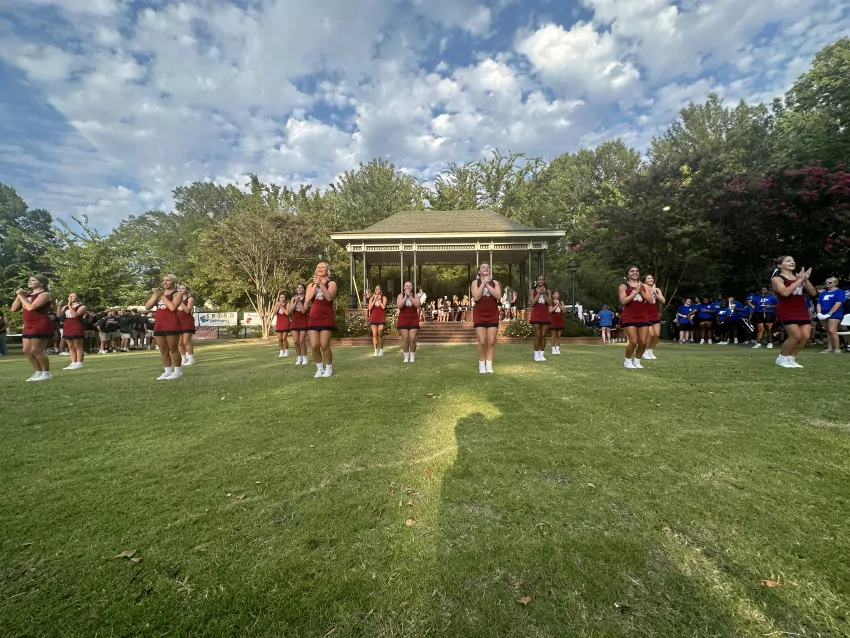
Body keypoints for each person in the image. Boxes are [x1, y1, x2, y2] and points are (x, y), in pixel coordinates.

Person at [771, 256, 816, 368]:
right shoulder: (777, 279)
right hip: (787, 309)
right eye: (788, 261)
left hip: (801, 309)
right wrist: (799, 280)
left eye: (793, 260)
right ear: (779, 265)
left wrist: (805, 279)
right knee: (795, 335)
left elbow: (813, 293)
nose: (792, 262)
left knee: (805, 336)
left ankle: (790, 358)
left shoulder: (799, 277)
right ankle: (781, 358)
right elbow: (785, 293)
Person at [10, 275, 54, 381]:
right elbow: (13, 309)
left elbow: (31, 307)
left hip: (41, 324)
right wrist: (19, 296)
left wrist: (21, 295)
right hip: (28, 325)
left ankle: (46, 373)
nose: (29, 281)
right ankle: (38, 372)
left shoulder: (45, 294)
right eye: (29, 280)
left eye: (33, 280)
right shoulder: (27, 295)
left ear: (41, 283)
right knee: (27, 350)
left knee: (37, 350)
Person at [144, 274, 184, 380]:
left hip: (171, 324)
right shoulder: (159, 293)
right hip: (159, 324)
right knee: (163, 349)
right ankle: (167, 371)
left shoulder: (177, 294)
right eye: (163, 280)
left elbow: (172, 307)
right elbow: (147, 306)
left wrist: (162, 296)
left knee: (173, 348)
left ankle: (178, 371)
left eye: (168, 280)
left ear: (174, 282)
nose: (165, 282)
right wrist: (155, 296)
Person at [306, 262, 337, 378]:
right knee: (314, 345)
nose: (320, 269)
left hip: (327, 317)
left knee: (324, 345)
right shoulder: (311, 284)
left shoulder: (331, 283)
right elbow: (308, 298)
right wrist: (315, 284)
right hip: (314, 317)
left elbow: (329, 298)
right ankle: (319, 369)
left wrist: (321, 284)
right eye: (318, 267)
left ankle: (328, 368)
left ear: (327, 270)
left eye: (323, 267)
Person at [618, 266, 650, 369]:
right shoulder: (623, 286)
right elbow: (623, 301)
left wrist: (641, 291)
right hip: (629, 316)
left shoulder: (644, 286)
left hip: (643, 316)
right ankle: (627, 361)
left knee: (643, 342)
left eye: (637, 271)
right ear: (627, 274)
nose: (635, 272)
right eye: (632, 271)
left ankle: (637, 360)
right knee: (633, 341)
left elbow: (650, 300)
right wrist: (635, 292)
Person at [472, 263, 501, 373]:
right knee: (482, 341)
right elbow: (476, 297)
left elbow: (498, 296)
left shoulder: (495, 283)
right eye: (483, 267)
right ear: (479, 272)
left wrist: (487, 284)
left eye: (488, 267)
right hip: (479, 314)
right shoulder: (475, 282)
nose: (486, 268)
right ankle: (481, 365)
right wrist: (483, 283)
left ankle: (489, 365)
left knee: (491, 341)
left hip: (493, 314)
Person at [817, 277, 845, 354]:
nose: (827, 284)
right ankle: (830, 348)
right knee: (828, 331)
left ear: (835, 283)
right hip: (823, 313)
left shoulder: (839, 292)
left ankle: (837, 348)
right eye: (826, 282)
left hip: (835, 313)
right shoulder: (823, 293)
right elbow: (819, 304)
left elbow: (838, 304)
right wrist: (819, 313)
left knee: (832, 330)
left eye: (829, 282)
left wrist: (829, 314)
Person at [59, 293, 86, 370]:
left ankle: (79, 363)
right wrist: (59, 306)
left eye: (73, 296)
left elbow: (75, 315)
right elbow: (59, 315)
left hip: (76, 326)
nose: (70, 297)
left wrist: (69, 305)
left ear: (78, 298)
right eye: (69, 296)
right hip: (67, 326)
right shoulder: (65, 307)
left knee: (78, 346)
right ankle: (73, 362)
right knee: (70, 346)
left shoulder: (82, 307)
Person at [642, 275, 665, 360]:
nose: (651, 279)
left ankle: (650, 351)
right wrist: (650, 291)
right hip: (645, 313)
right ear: (644, 281)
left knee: (657, 334)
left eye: (652, 278)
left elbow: (663, 301)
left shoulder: (657, 289)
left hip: (654, 313)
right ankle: (645, 351)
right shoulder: (642, 288)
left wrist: (655, 292)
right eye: (648, 278)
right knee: (651, 334)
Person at [396, 281, 421, 362]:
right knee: (405, 339)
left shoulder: (415, 295)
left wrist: (410, 296)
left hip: (413, 319)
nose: (408, 287)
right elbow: (399, 306)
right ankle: (406, 356)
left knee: (413, 339)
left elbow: (417, 305)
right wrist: (405, 297)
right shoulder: (400, 296)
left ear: (412, 287)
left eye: (410, 286)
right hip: (403, 319)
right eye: (406, 286)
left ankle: (412, 355)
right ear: (404, 287)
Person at [529, 275, 551, 361]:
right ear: (536, 281)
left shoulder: (548, 291)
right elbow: (532, 303)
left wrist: (544, 293)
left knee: (543, 335)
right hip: (536, 315)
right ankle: (536, 354)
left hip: (545, 315)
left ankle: (541, 354)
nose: (541, 281)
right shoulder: (532, 291)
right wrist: (539, 293)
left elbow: (549, 303)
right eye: (539, 280)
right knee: (537, 335)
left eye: (542, 280)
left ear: (544, 281)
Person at [289, 284, 310, 365]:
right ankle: (299, 357)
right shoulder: (293, 298)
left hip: (303, 321)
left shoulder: (306, 298)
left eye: (301, 287)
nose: (299, 289)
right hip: (295, 321)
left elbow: (303, 311)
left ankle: (305, 357)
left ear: (304, 289)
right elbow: (290, 310)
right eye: (298, 287)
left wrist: (299, 301)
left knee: (301, 341)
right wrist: (295, 301)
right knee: (295, 341)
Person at [175, 284, 195, 365]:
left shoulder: (190, 299)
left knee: (186, 341)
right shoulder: (175, 299)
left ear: (187, 290)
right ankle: (183, 358)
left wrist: (180, 302)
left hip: (187, 322)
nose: (180, 289)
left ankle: (191, 358)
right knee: (179, 342)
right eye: (179, 288)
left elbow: (187, 310)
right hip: (178, 323)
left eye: (183, 288)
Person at [368, 285, 387, 356]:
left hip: (381, 317)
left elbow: (383, 307)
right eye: (376, 289)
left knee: (380, 333)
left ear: (380, 290)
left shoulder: (384, 297)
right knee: (374, 334)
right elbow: (370, 308)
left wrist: (378, 300)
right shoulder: (371, 298)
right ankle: (376, 351)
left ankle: (381, 350)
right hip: (373, 318)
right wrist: (374, 300)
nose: (377, 290)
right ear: (374, 290)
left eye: (378, 289)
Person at [272, 292, 291, 358]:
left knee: (284, 338)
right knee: (280, 339)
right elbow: (274, 313)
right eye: (280, 297)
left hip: (285, 322)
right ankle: (281, 351)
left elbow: (287, 313)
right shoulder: (277, 304)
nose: (281, 298)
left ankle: (286, 352)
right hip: (279, 322)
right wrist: (278, 306)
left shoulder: (287, 304)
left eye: (283, 297)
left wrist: (281, 307)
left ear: (285, 298)